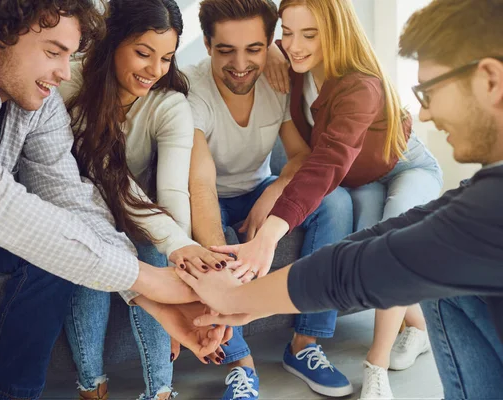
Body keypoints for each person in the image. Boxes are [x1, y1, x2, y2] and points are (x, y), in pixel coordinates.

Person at [177, 1, 503, 399]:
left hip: (398, 165)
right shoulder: (290, 65)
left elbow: (330, 173)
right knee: (435, 283)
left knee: (403, 250)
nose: (423, 114)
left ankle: (375, 363)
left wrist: (246, 287)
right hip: (364, 173)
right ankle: (412, 326)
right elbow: (374, 248)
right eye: (288, 36)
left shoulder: (360, 86)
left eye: (429, 91)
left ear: (491, 80)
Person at [0, 1, 229, 399]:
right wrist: (151, 280)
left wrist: (155, 304)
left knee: (56, 254)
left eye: (69, 55)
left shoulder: (37, 100)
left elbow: (72, 200)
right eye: (53, 51)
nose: (63, 70)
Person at [58, 0, 231, 399]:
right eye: (143, 53)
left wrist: (184, 261)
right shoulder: (70, 83)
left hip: (144, 215)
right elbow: (106, 174)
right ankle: (92, 387)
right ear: (111, 41)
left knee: (157, 256)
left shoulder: (169, 104)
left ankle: (160, 392)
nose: (155, 70)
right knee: (92, 253)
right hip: (80, 207)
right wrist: (177, 247)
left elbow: (172, 193)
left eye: (167, 58)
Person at [186, 0, 356, 397]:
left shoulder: (276, 79)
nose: (241, 64)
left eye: (254, 49)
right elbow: (200, 183)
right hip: (212, 196)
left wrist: (274, 195)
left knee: (337, 203)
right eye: (226, 50)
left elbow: (299, 155)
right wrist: (219, 252)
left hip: (259, 187)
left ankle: (305, 344)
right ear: (208, 45)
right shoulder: (191, 90)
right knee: (213, 241)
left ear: (270, 45)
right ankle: (239, 365)